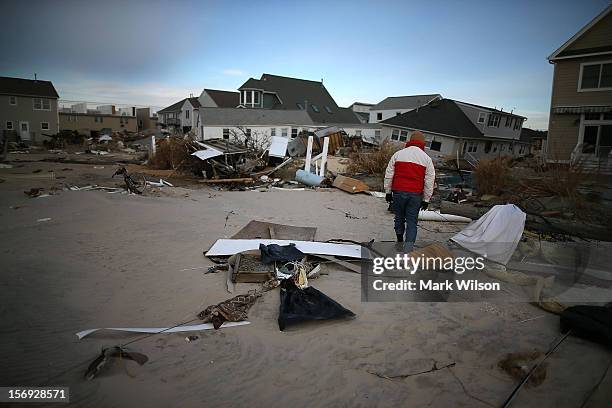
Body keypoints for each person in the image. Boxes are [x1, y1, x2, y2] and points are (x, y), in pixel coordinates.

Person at [384, 131, 435, 251]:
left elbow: (389, 174)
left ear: (410, 141)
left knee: (399, 217)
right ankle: (408, 249)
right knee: (412, 222)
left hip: (398, 192)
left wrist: (388, 192)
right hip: (415, 195)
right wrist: (426, 199)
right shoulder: (426, 159)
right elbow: (429, 180)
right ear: (422, 143)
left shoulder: (398, 154)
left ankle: (399, 242)